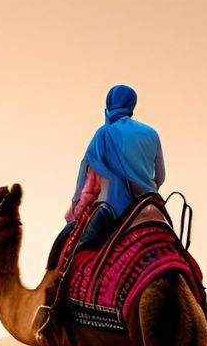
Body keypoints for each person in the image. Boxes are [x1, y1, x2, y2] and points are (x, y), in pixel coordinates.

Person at [49, 84, 166, 268]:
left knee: (74, 256)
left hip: (113, 209)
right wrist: (143, 186)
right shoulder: (152, 134)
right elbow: (160, 177)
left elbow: (83, 175)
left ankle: (63, 291)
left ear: (110, 103)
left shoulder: (104, 134)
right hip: (151, 207)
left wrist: (75, 207)